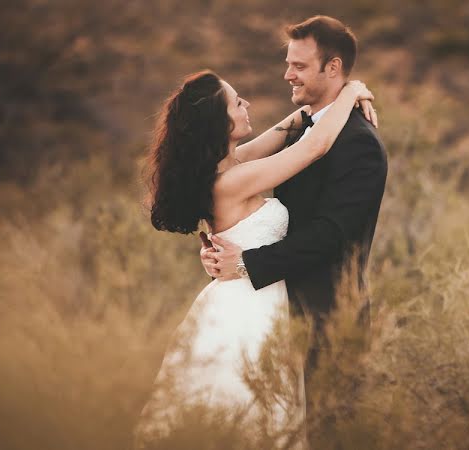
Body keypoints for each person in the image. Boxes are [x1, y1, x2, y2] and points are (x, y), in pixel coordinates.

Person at [133, 68, 376, 447]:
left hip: (238, 296)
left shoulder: (229, 166)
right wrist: (352, 92)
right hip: (252, 306)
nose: (246, 104)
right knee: (255, 413)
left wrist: (324, 99)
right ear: (220, 122)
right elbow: (313, 148)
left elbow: (283, 132)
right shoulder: (234, 180)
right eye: (236, 101)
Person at [201, 15, 389, 445]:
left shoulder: (358, 142)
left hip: (327, 320)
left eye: (299, 66)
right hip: (275, 316)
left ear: (334, 68)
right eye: (288, 63)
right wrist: (224, 247)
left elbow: (331, 236)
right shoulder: (301, 131)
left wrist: (246, 262)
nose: (287, 73)